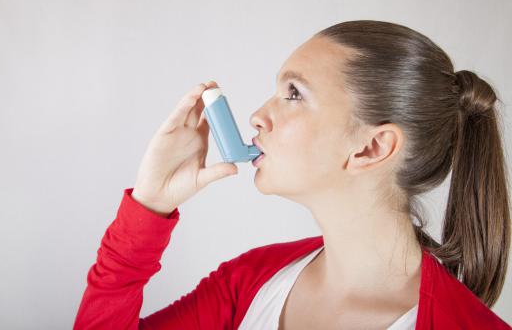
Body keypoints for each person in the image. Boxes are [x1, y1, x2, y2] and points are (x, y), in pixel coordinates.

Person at [73, 20, 511, 329]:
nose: (258, 116)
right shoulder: (248, 282)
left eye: (294, 93)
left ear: (371, 147)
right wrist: (149, 204)